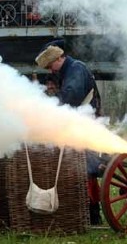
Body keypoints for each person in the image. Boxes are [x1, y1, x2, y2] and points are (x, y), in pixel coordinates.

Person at [35, 40, 103, 225]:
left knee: (87, 171)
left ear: (59, 58)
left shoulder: (76, 69)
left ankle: (93, 215)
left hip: (85, 126)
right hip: (77, 126)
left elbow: (70, 98)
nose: (51, 70)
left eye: (51, 65)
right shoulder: (69, 71)